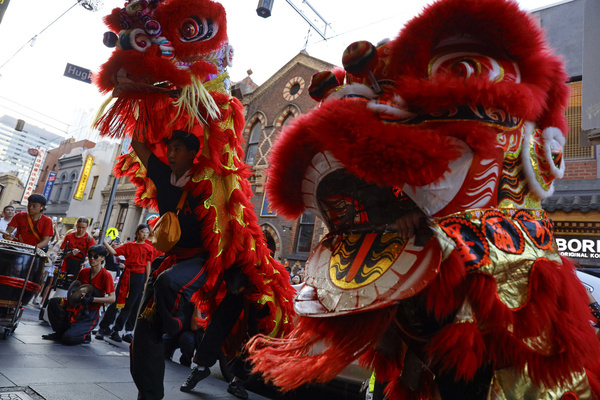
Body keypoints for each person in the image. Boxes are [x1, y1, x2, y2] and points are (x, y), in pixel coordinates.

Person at [129, 130, 215, 400]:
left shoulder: (209, 182)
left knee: (169, 282)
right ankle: (149, 395)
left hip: (201, 260)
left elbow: (217, 143)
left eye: (178, 149)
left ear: (193, 153)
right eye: (170, 149)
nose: (172, 153)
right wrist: (140, 98)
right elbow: (137, 142)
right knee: (140, 338)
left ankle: (175, 326)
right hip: (170, 259)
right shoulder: (164, 175)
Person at [42, 244, 115, 344]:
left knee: (68, 338)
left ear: (102, 258)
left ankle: (85, 334)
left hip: (90, 312)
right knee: (54, 301)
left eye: (96, 256)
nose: (92, 259)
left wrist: (92, 299)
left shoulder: (106, 276)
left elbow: (112, 298)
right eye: (90, 256)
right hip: (77, 306)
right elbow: (75, 288)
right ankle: (60, 332)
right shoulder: (84, 271)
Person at [95, 224, 152, 343]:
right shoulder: (129, 245)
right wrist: (104, 241)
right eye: (142, 231)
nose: (145, 234)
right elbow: (114, 252)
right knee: (116, 301)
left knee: (130, 304)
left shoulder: (149, 248)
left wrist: (146, 281)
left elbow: (148, 265)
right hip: (127, 274)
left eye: (147, 232)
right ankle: (103, 327)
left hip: (139, 277)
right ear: (137, 233)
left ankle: (117, 330)